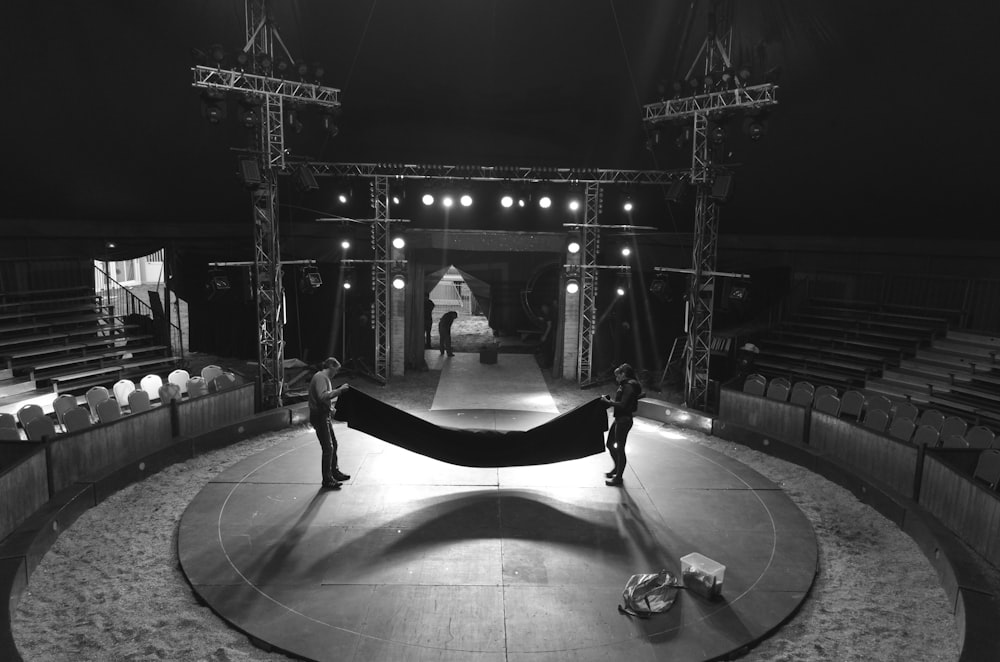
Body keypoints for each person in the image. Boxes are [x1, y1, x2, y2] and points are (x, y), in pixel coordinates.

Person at [308, 357, 351, 490]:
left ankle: (334, 472)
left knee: (333, 444)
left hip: (323, 415)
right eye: (336, 370)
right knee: (328, 448)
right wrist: (339, 391)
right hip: (319, 417)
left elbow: (322, 399)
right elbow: (322, 396)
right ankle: (327, 479)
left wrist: (331, 409)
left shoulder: (323, 378)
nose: (336, 373)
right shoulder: (321, 378)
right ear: (331, 367)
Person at [601, 363, 644, 487]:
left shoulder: (629, 386)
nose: (616, 378)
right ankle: (616, 468)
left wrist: (608, 402)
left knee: (620, 449)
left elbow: (623, 404)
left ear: (623, 374)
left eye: (618, 376)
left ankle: (618, 477)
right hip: (619, 419)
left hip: (624, 421)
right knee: (610, 444)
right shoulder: (626, 385)